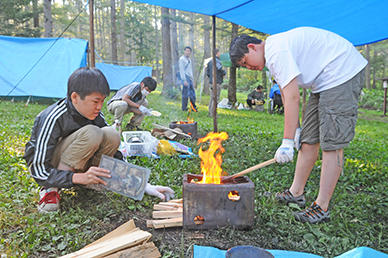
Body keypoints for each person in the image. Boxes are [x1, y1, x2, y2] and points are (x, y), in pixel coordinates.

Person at [230, 27, 367, 223]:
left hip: (341, 72)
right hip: (323, 81)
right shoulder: (273, 58)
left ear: (252, 47)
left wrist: (286, 142)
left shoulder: (276, 51)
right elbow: (286, 96)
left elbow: (294, 97)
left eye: (245, 62)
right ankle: (296, 192)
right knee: (308, 139)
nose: (249, 67)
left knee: (331, 142)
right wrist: (294, 132)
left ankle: (322, 206)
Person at [24, 68, 174, 213]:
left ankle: (91, 180)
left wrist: (143, 184)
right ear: (75, 97)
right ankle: (51, 190)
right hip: (53, 166)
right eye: (95, 101)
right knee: (92, 133)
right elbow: (37, 168)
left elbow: (115, 152)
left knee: (112, 134)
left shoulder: (95, 115)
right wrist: (76, 177)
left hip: (77, 162)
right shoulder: (53, 117)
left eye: (102, 101)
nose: (99, 107)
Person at [206, 48, 226, 116]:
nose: (220, 54)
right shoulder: (216, 61)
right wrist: (224, 72)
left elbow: (208, 73)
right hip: (217, 82)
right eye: (219, 52)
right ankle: (213, 113)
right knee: (216, 98)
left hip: (211, 82)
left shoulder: (209, 61)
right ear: (217, 53)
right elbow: (220, 69)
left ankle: (210, 112)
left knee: (212, 97)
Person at [178, 46, 198, 112]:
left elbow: (190, 70)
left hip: (190, 78)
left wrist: (192, 79)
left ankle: (193, 107)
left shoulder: (189, 60)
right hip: (185, 78)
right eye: (186, 51)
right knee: (185, 95)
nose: (187, 52)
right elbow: (181, 70)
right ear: (184, 51)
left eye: (189, 51)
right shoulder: (182, 59)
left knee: (192, 94)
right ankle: (184, 108)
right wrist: (184, 80)